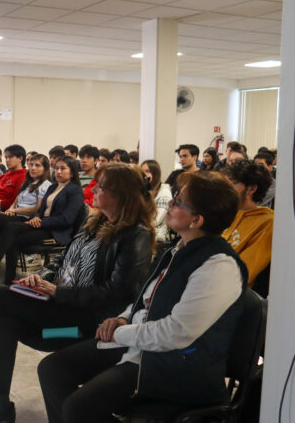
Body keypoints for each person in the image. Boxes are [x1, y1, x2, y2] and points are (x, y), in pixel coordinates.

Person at [0, 163, 154, 423]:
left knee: (2, 297)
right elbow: (61, 261)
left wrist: (59, 292)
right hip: (59, 318)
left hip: (82, 329)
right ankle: (0, 406)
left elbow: (118, 293)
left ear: (121, 195)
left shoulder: (135, 235)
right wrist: (39, 277)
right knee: (7, 324)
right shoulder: (95, 222)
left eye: (102, 186)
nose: (93, 189)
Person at [37, 171, 247, 423]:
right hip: (134, 341)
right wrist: (124, 318)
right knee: (50, 367)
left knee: (78, 407)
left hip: (173, 364)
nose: (169, 203)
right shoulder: (177, 249)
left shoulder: (217, 265)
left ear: (197, 220)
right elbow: (145, 296)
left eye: (179, 201)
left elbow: (176, 332)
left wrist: (120, 331)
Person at [0, 156, 85, 286]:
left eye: (63, 169)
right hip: (41, 224)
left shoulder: (75, 191)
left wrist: (41, 221)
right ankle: (5, 279)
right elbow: (41, 209)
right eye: (56, 168)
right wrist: (37, 217)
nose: (58, 171)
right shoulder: (53, 187)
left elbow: (67, 219)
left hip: (55, 230)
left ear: (72, 172)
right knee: (4, 232)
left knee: (11, 229)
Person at [0, 154, 52, 287]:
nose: (33, 168)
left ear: (45, 168)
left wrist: (15, 211)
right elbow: (15, 202)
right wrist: (10, 210)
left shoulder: (45, 185)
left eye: (38, 165)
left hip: (26, 218)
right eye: (31, 164)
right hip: (15, 215)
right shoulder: (27, 182)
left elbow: (37, 209)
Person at [222, 160, 274, 286]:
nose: (224, 190)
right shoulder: (223, 212)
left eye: (231, 185)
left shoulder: (267, 223)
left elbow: (244, 273)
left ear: (251, 188)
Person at [0, 144, 28, 212]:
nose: (7, 160)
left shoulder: (24, 176)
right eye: (6, 157)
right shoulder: (2, 176)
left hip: (7, 211)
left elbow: (14, 202)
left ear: (20, 158)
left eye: (10, 157)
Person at [140, 160, 172, 244]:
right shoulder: (144, 191)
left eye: (147, 171)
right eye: (142, 172)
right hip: (144, 233)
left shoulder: (164, 193)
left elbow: (157, 220)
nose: (144, 175)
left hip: (157, 237)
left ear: (155, 173)